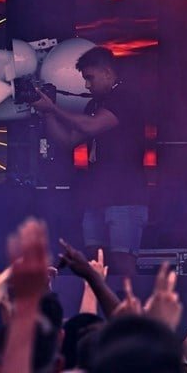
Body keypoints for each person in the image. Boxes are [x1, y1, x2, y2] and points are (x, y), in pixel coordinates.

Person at [33, 46, 147, 276]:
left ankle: (131, 301)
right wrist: (47, 112)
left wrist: (53, 108)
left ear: (107, 72)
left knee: (123, 263)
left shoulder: (125, 98)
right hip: (97, 196)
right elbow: (67, 141)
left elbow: (91, 126)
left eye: (90, 78)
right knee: (95, 264)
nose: (86, 85)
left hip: (126, 196)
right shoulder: (94, 105)